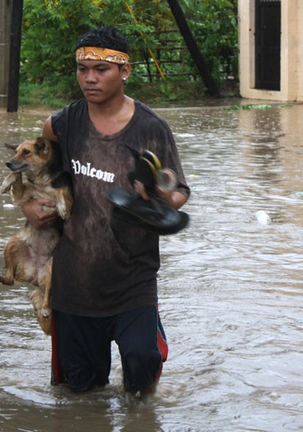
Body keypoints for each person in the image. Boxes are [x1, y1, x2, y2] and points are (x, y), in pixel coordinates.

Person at [22, 26, 190, 395]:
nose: (90, 78)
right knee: (81, 393)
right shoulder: (62, 125)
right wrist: (30, 205)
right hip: (73, 282)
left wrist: (158, 194)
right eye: (83, 69)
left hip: (133, 280)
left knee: (143, 375)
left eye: (101, 69)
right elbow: (38, 174)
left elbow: (178, 193)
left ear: (124, 71)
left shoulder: (151, 128)